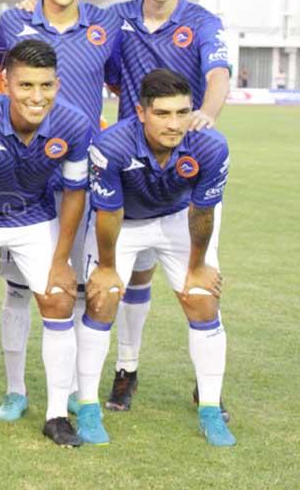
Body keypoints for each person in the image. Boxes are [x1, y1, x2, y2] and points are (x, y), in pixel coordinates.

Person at [0, 0, 120, 421]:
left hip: (80, 178)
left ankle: (72, 392)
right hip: (25, 176)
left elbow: (122, 82)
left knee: (76, 288)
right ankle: (15, 390)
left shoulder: (106, 26)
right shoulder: (12, 23)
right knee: (18, 290)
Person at [0, 39, 94, 448]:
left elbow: (74, 193)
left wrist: (61, 260)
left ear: (57, 84)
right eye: (26, 85)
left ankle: (57, 415)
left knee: (58, 299)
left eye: (46, 85)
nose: (37, 97)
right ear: (5, 82)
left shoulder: (74, 124)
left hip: (32, 217)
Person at [104, 0, 232, 414]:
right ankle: (127, 370)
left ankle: (209, 387)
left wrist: (207, 114)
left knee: (200, 285)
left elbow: (218, 74)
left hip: (185, 170)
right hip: (131, 171)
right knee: (132, 281)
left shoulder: (201, 22)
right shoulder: (116, 18)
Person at [76, 68, 235, 447]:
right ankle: (87, 408)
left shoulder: (210, 145)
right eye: (162, 113)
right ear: (141, 112)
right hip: (124, 223)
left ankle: (210, 411)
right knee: (102, 300)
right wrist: (107, 268)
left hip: (177, 219)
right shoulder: (111, 145)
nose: (174, 124)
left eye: (182, 112)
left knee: (203, 300)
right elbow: (108, 213)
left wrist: (197, 267)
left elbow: (202, 212)